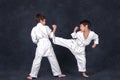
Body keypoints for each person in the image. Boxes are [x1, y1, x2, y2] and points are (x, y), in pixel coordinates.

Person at [27, 13, 66, 80]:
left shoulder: (34, 29)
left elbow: (34, 40)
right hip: (47, 43)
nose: (45, 22)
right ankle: (58, 73)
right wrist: (54, 28)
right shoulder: (47, 27)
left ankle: (32, 75)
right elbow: (51, 36)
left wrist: (38, 42)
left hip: (40, 44)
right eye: (44, 20)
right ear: (41, 21)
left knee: (37, 60)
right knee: (53, 59)